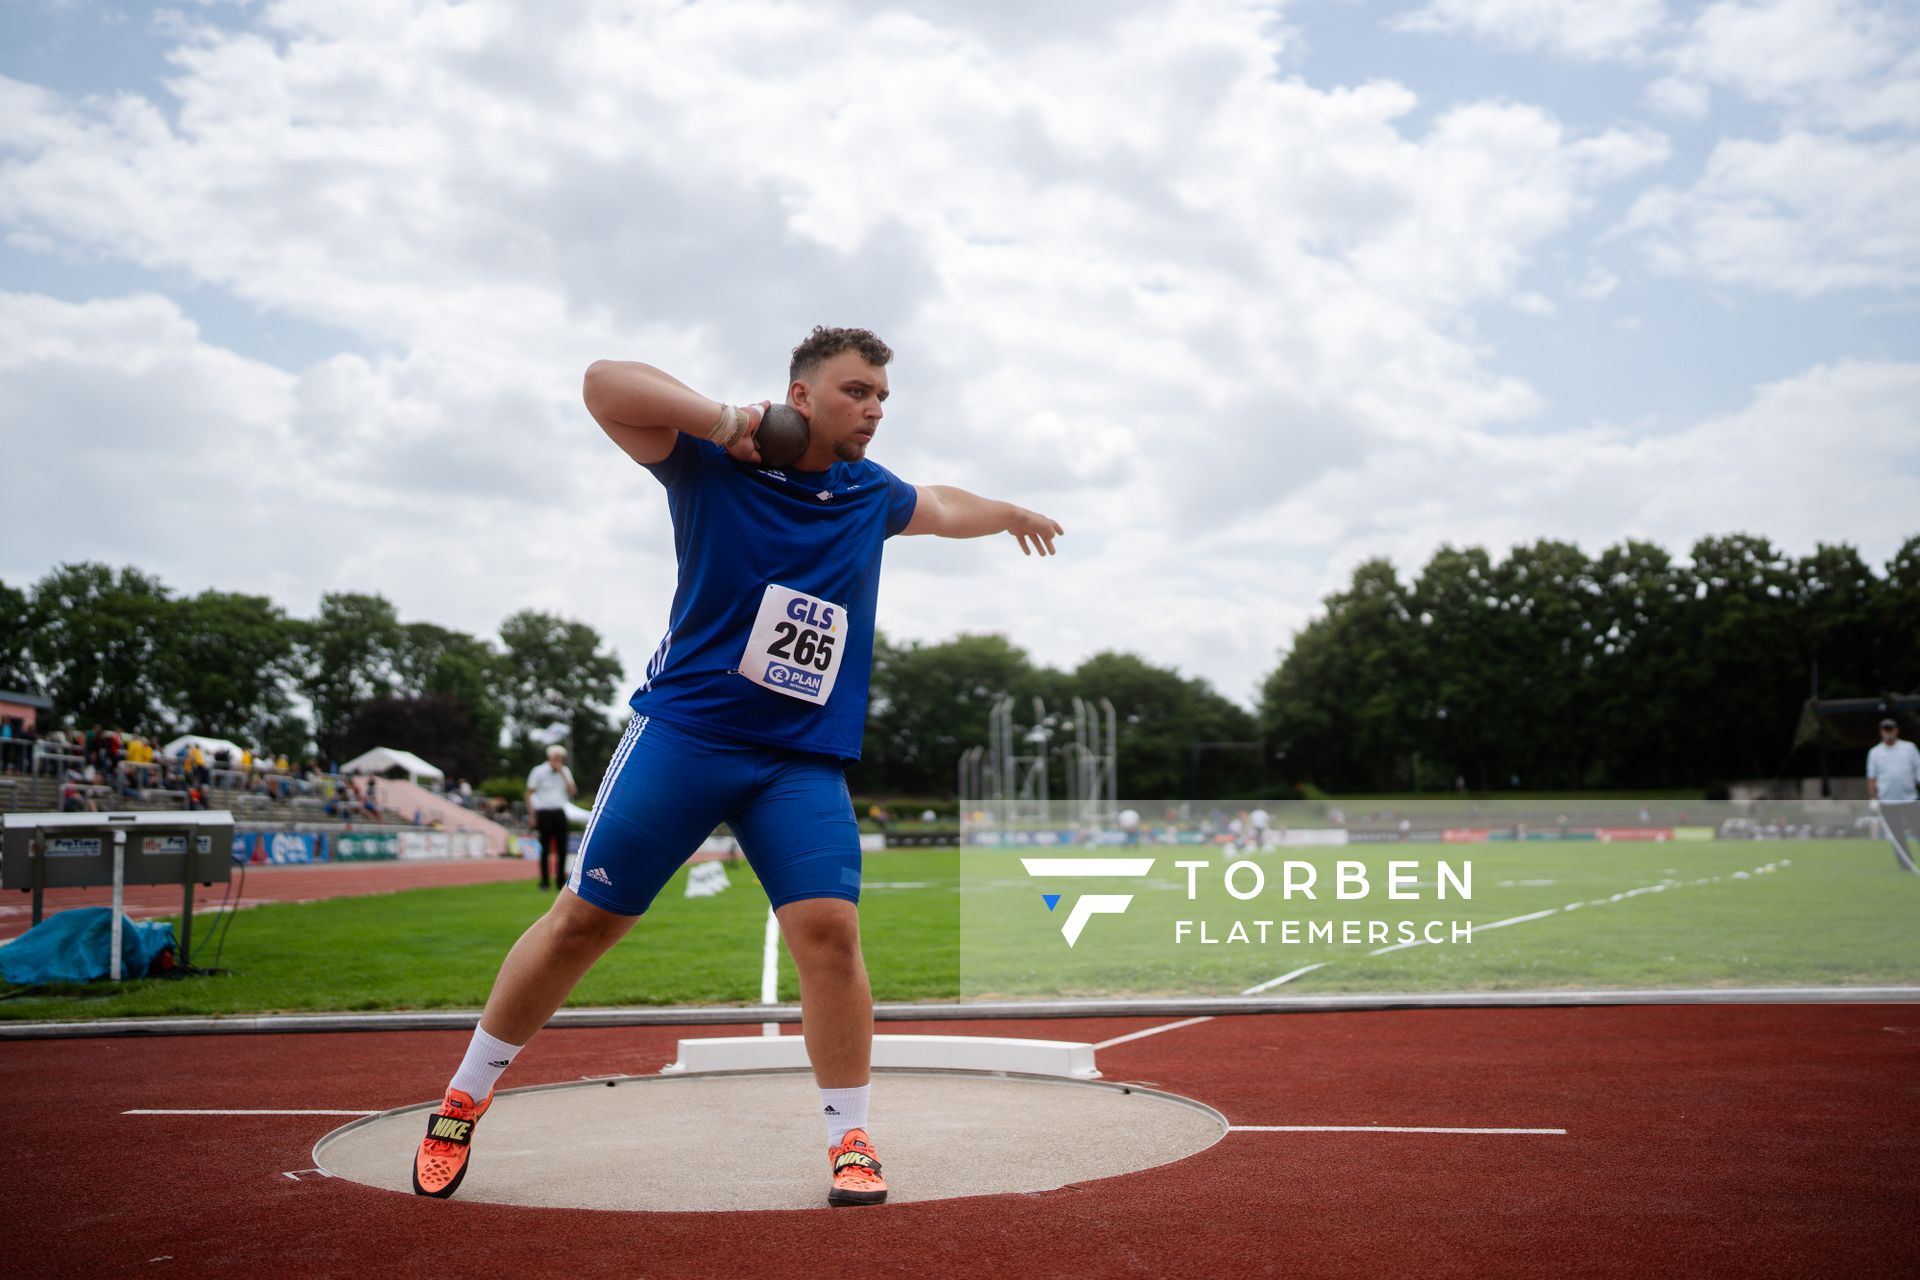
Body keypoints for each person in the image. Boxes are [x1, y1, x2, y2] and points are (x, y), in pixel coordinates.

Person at [411, 326, 1063, 1207]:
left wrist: (1011, 515)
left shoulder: (869, 494)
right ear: (802, 396)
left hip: (798, 761)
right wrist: (726, 421)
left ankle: (851, 1136)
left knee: (831, 936)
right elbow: (605, 382)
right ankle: (463, 1099)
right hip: (686, 737)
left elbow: (943, 503)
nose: (872, 410)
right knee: (583, 926)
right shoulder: (715, 462)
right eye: (854, 392)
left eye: (881, 397)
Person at [1867, 718, 1920, 874]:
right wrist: (1873, 798)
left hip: (1910, 799)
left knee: (1918, 829)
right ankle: (1906, 865)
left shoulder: (1909, 748)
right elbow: (1872, 777)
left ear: (1896, 730)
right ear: (1881, 732)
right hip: (1887, 801)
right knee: (1896, 835)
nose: (1888, 732)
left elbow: (1918, 770)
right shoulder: (1875, 752)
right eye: (1885, 729)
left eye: (1891, 729)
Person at [524, 745, 577, 890]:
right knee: (545, 848)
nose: (558, 761)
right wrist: (532, 815)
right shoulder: (538, 771)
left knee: (562, 848)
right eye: (556, 758)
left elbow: (572, 792)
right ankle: (545, 881)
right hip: (544, 812)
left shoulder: (565, 771)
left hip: (559, 812)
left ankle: (561, 881)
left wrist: (563, 774)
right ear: (549, 758)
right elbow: (528, 793)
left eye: (560, 758)